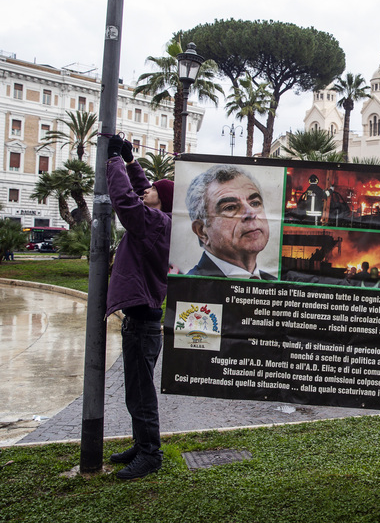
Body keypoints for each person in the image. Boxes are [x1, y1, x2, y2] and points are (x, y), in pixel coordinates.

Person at [105, 136, 173, 480]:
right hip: (141, 320)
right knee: (135, 389)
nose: (145, 191)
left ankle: (151, 454)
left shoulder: (155, 223)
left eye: (152, 192)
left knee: (142, 393)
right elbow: (145, 190)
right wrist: (132, 163)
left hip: (143, 323)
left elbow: (124, 201)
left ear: (160, 202)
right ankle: (141, 442)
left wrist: (114, 159)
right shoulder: (160, 218)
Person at [185, 164, 275, 280]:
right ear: (202, 231)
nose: (251, 213)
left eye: (255, 203)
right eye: (230, 207)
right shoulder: (189, 288)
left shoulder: (275, 285)